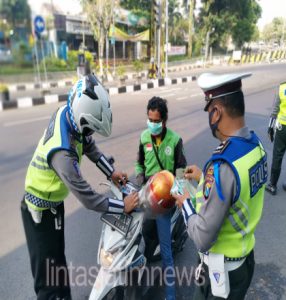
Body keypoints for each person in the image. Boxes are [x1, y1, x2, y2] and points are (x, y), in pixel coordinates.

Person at [21, 74, 139, 300]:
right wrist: (122, 206)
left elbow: (89, 145)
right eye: (90, 129)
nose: (90, 134)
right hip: (38, 211)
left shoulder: (68, 115)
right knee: (47, 280)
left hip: (53, 206)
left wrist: (111, 172)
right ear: (82, 120)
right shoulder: (62, 154)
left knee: (58, 265)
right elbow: (89, 199)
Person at [172, 72, 267, 300]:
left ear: (216, 112)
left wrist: (185, 203)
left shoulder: (223, 165)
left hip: (220, 274)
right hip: (244, 262)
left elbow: (203, 236)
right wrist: (203, 178)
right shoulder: (255, 147)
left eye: (209, 111)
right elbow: (236, 193)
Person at [135, 96, 187, 300]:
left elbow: (181, 172)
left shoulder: (175, 140)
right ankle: (138, 287)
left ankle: (171, 295)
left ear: (164, 120)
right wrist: (140, 180)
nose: (152, 124)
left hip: (165, 203)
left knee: (166, 252)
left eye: (156, 121)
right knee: (140, 242)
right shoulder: (144, 138)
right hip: (146, 197)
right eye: (150, 119)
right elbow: (139, 164)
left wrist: (176, 196)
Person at [266, 82, 286, 195]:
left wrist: (270, 128)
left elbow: (275, 110)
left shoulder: (282, 88)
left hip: (282, 128)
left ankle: (272, 185)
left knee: (277, 156)